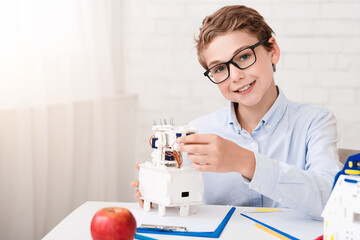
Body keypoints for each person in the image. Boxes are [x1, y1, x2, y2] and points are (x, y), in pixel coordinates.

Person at [131, 5, 341, 220]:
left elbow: (334, 201)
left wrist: (246, 162)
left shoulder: (315, 123)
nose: (235, 76)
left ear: (273, 51)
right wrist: (160, 194)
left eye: (243, 57)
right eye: (220, 68)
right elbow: (184, 206)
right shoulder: (198, 131)